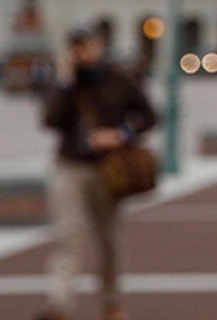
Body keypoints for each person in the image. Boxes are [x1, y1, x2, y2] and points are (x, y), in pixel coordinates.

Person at [37, 26, 156, 320]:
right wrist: (64, 81)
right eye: (75, 47)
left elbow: (149, 116)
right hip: (69, 166)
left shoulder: (118, 77)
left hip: (107, 169)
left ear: (99, 46)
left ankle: (112, 303)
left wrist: (120, 134)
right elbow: (50, 120)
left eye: (86, 45)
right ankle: (60, 305)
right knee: (67, 236)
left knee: (109, 239)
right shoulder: (65, 81)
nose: (82, 52)